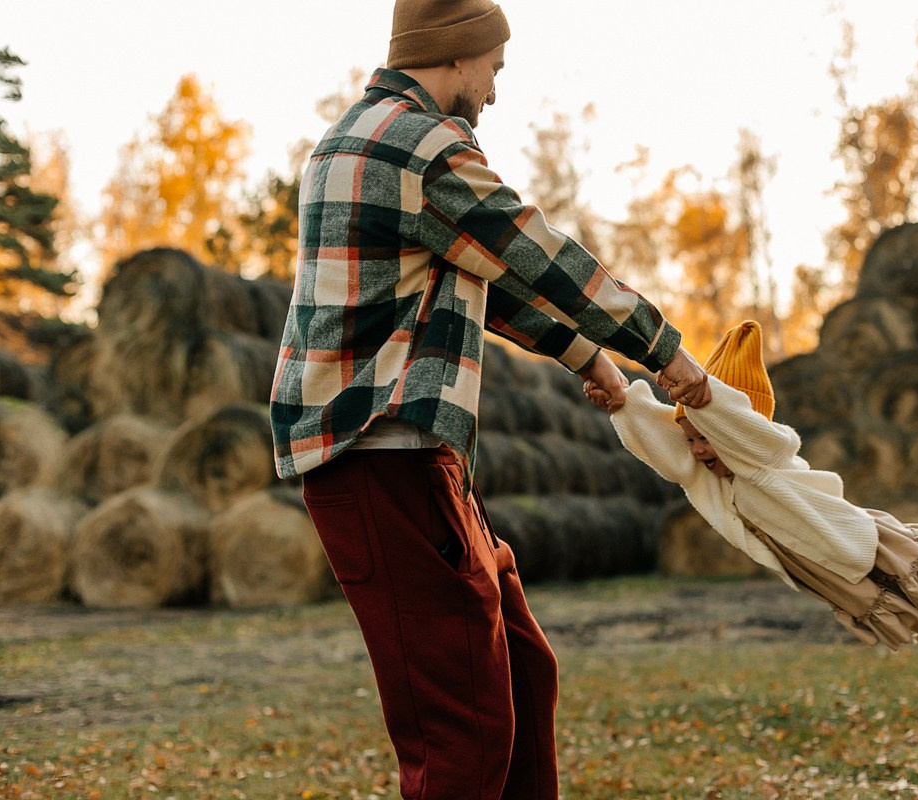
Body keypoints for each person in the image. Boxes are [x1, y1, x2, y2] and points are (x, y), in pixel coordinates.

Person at [268, 1, 710, 797]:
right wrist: (662, 349)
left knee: (524, 672)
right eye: (494, 71)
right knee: (463, 732)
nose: (494, 94)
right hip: (384, 459)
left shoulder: (361, 136)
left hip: (411, 459)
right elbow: (534, 253)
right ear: (458, 55)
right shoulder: (419, 145)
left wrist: (587, 355)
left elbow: (479, 276)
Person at [590, 321, 918, 707]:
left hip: (849, 539)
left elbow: (735, 423)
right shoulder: (708, 478)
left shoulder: (760, 454)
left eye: (705, 437)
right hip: (814, 563)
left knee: (912, 587)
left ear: (732, 426)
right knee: (882, 602)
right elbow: (667, 446)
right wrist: (624, 401)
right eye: (691, 439)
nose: (697, 449)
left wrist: (706, 396)